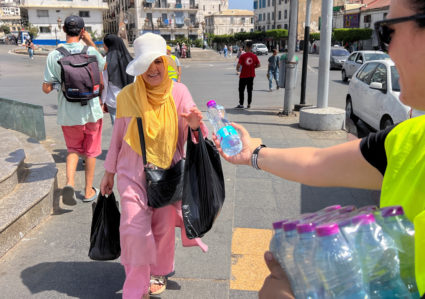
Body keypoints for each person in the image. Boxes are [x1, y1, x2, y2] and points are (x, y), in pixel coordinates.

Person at [215, 0, 425, 295]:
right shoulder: (410, 138)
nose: (386, 49)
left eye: (387, 32)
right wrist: (254, 153)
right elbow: (316, 161)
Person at [99, 33, 208, 299]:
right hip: (131, 171)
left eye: (157, 62)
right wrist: (109, 172)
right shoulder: (127, 95)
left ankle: (158, 272)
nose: (153, 69)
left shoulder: (179, 92)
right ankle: (136, 288)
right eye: (146, 64)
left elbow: (195, 134)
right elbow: (117, 139)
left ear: (165, 62)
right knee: (134, 229)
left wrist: (195, 125)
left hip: (167, 171)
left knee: (161, 228)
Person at [42, 15, 105, 205]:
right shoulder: (92, 52)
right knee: (91, 152)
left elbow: (46, 88)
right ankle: (87, 191)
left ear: (64, 31)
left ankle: (69, 182)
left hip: (69, 113)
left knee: (73, 149)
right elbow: (103, 66)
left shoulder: (54, 55)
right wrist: (90, 42)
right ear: (82, 30)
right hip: (92, 111)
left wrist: (56, 85)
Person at [101, 34, 134, 125]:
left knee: (117, 130)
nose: (103, 46)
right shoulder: (130, 60)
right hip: (130, 101)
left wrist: (102, 102)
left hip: (114, 101)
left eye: (104, 44)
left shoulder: (105, 61)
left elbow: (105, 84)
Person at [235, 40, 260, 109]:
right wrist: (253, 67)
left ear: (246, 47)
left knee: (241, 90)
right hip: (251, 75)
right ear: (251, 47)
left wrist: (237, 70)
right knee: (249, 90)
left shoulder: (243, 56)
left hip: (243, 75)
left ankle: (241, 104)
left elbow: (238, 65)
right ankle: (249, 104)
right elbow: (259, 65)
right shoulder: (254, 56)